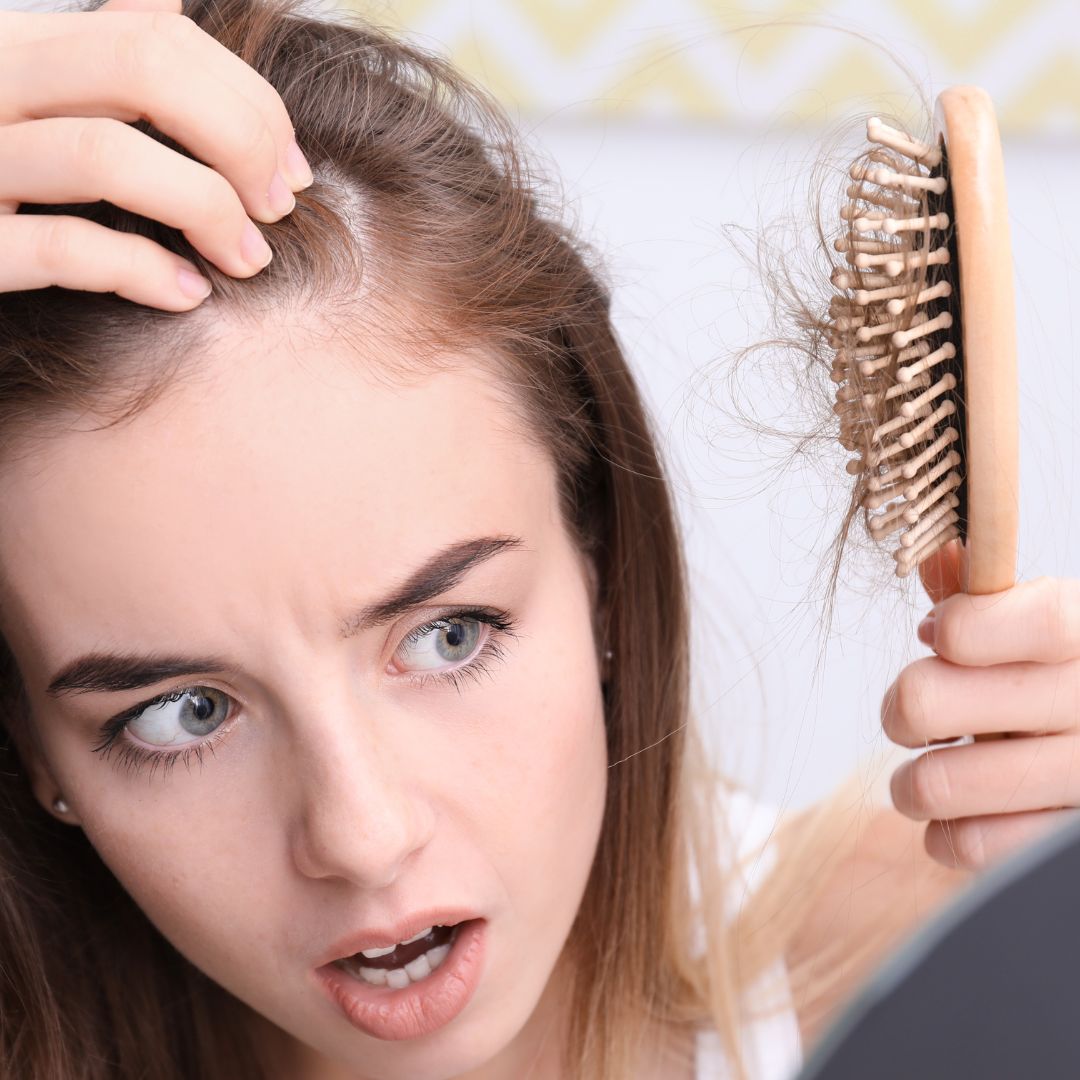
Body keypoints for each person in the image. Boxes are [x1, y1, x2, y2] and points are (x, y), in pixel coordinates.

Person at [1, 1, 1078, 1077]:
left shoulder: (913, 978)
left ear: (598, 565)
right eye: (183, 715)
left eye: (449, 636)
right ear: (35, 748)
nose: (362, 836)